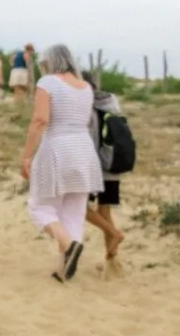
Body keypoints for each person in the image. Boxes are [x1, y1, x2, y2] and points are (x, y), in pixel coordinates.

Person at [19, 44, 104, 281]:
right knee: (74, 213)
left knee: (40, 207)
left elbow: (40, 120)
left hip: (57, 150)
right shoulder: (85, 87)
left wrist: (26, 155)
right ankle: (63, 269)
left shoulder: (47, 83)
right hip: (84, 151)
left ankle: (68, 246)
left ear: (50, 62)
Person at [83, 70, 128, 264]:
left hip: (98, 164)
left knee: (81, 208)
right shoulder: (110, 102)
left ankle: (115, 233)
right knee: (104, 211)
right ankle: (112, 261)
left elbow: (90, 140)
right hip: (115, 162)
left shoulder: (87, 108)